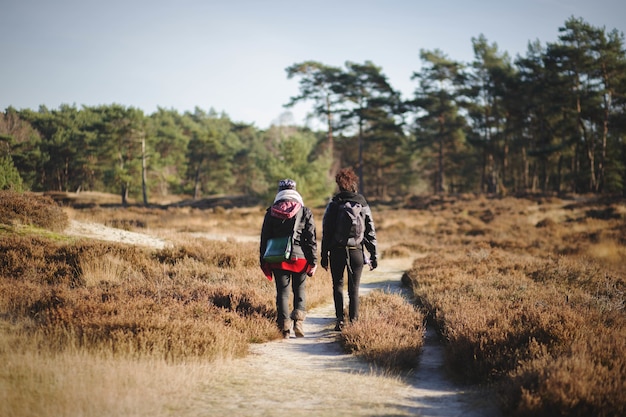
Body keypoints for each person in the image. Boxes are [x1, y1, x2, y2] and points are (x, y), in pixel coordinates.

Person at [321, 168, 378, 331]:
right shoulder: (362, 203)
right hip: (356, 251)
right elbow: (370, 230)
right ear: (354, 184)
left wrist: (324, 255)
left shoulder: (333, 204)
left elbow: (327, 231)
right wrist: (373, 254)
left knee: (337, 286)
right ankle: (354, 322)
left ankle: (340, 320)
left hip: (337, 251)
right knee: (354, 289)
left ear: (339, 185)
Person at [260, 179, 318, 339]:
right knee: (299, 290)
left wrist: (263, 260)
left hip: (279, 258)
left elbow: (265, 238)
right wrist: (314, 261)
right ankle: (298, 323)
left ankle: (284, 327)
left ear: (279, 192)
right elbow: (311, 238)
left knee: (282, 293)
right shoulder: (305, 211)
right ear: (295, 191)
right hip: (300, 258)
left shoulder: (271, 211)